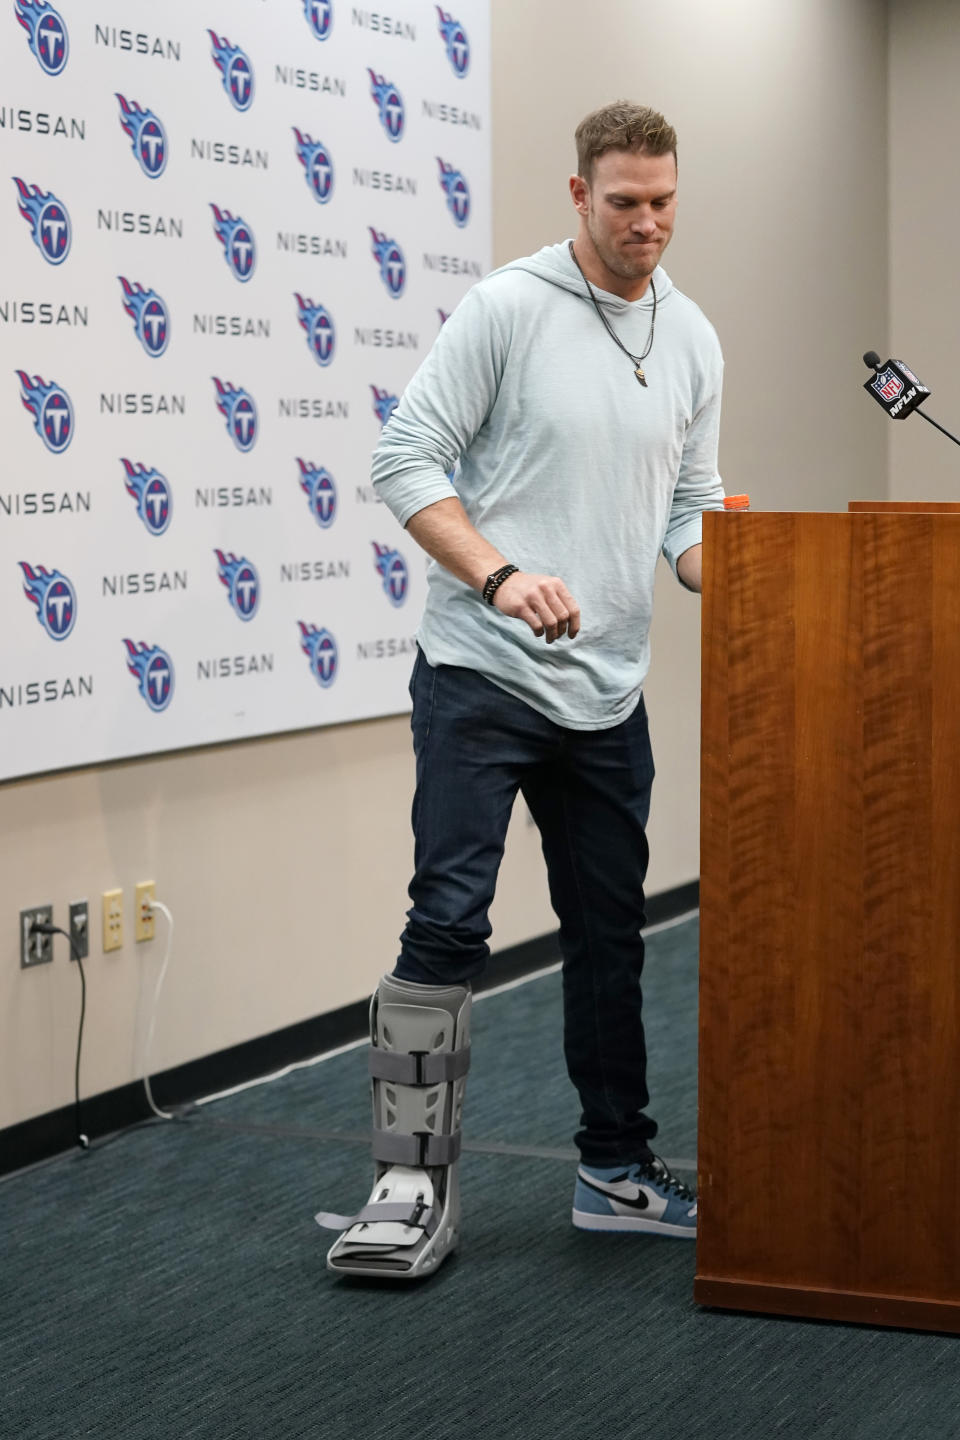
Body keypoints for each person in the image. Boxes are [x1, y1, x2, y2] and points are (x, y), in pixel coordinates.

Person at [316, 101, 725, 1280]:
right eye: (624, 203)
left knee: (612, 936)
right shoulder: (508, 308)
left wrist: (712, 568)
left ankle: (615, 1171)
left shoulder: (692, 335)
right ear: (578, 193)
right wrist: (498, 576)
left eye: (663, 202)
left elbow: (690, 499)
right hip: (484, 679)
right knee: (447, 922)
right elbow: (403, 460)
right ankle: (406, 1183)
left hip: (608, 692)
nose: (647, 224)